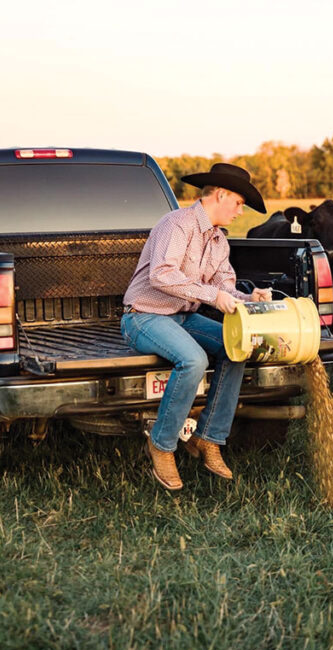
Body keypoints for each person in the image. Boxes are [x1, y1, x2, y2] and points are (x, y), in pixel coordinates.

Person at [121, 163, 272, 490]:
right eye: (238, 202)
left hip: (183, 318)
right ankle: (162, 445)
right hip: (144, 317)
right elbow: (161, 274)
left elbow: (224, 286)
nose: (240, 210)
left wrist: (249, 298)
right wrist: (213, 296)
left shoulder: (219, 241)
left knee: (236, 349)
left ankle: (208, 438)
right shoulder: (177, 224)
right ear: (221, 195)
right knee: (193, 360)